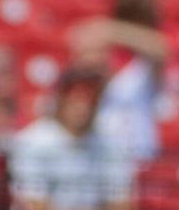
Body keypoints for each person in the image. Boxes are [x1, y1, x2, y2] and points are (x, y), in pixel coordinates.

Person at [9, 63, 135, 210]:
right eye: (75, 97)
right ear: (61, 99)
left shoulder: (112, 145)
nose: (83, 105)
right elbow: (34, 204)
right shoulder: (32, 142)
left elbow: (120, 203)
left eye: (90, 98)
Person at [70, 0, 171, 162]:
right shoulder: (92, 77)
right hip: (99, 161)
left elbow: (161, 49)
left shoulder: (141, 71)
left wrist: (112, 30)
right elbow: (79, 42)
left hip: (139, 159)